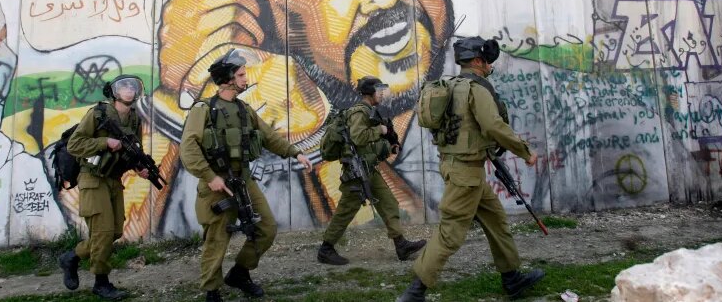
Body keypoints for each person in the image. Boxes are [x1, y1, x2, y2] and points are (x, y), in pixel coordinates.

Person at [144, 0, 455, 231]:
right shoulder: (248, 122)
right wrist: (172, 99)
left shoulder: (486, 91)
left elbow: (410, 225)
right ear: (253, 8)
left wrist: (316, 140)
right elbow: (116, 231)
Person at [398, 37, 545, 301]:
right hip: (465, 175)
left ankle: (512, 278)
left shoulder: (452, 85)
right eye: (487, 60)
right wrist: (524, 151)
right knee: (451, 232)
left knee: (496, 221)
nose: (490, 65)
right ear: (477, 61)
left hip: (464, 171)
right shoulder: (477, 89)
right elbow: (493, 125)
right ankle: (414, 292)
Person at [179, 48, 313, 302]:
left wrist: (295, 153)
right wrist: (209, 176)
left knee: (266, 228)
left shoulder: (244, 109)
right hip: (216, 183)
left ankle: (240, 273)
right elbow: (188, 147)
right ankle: (211, 289)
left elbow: (268, 136)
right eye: (240, 74)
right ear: (227, 79)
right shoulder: (204, 109)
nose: (245, 78)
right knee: (217, 237)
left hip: (243, 179)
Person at [58, 75, 150, 300]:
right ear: (114, 92)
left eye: (132, 86)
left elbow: (132, 151)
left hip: (113, 180)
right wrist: (104, 142)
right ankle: (101, 283)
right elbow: (75, 144)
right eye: (124, 86)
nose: (129, 90)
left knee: (115, 231)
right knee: (103, 232)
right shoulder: (98, 114)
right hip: (92, 179)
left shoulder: (134, 119)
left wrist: (139, 167)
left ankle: (72, 257)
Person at [317, 76, 426, 265]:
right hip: (357, 171)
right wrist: (380, 131)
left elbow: (367, 144)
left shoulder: (369, 111)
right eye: (379, 91)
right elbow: (358, 137)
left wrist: (387, 145)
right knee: (346, 210)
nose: (382, 94)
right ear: (370, 92)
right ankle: (326, 249)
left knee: (388, 202)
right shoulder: (359, 111)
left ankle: (401, 245)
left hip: (369, 169)